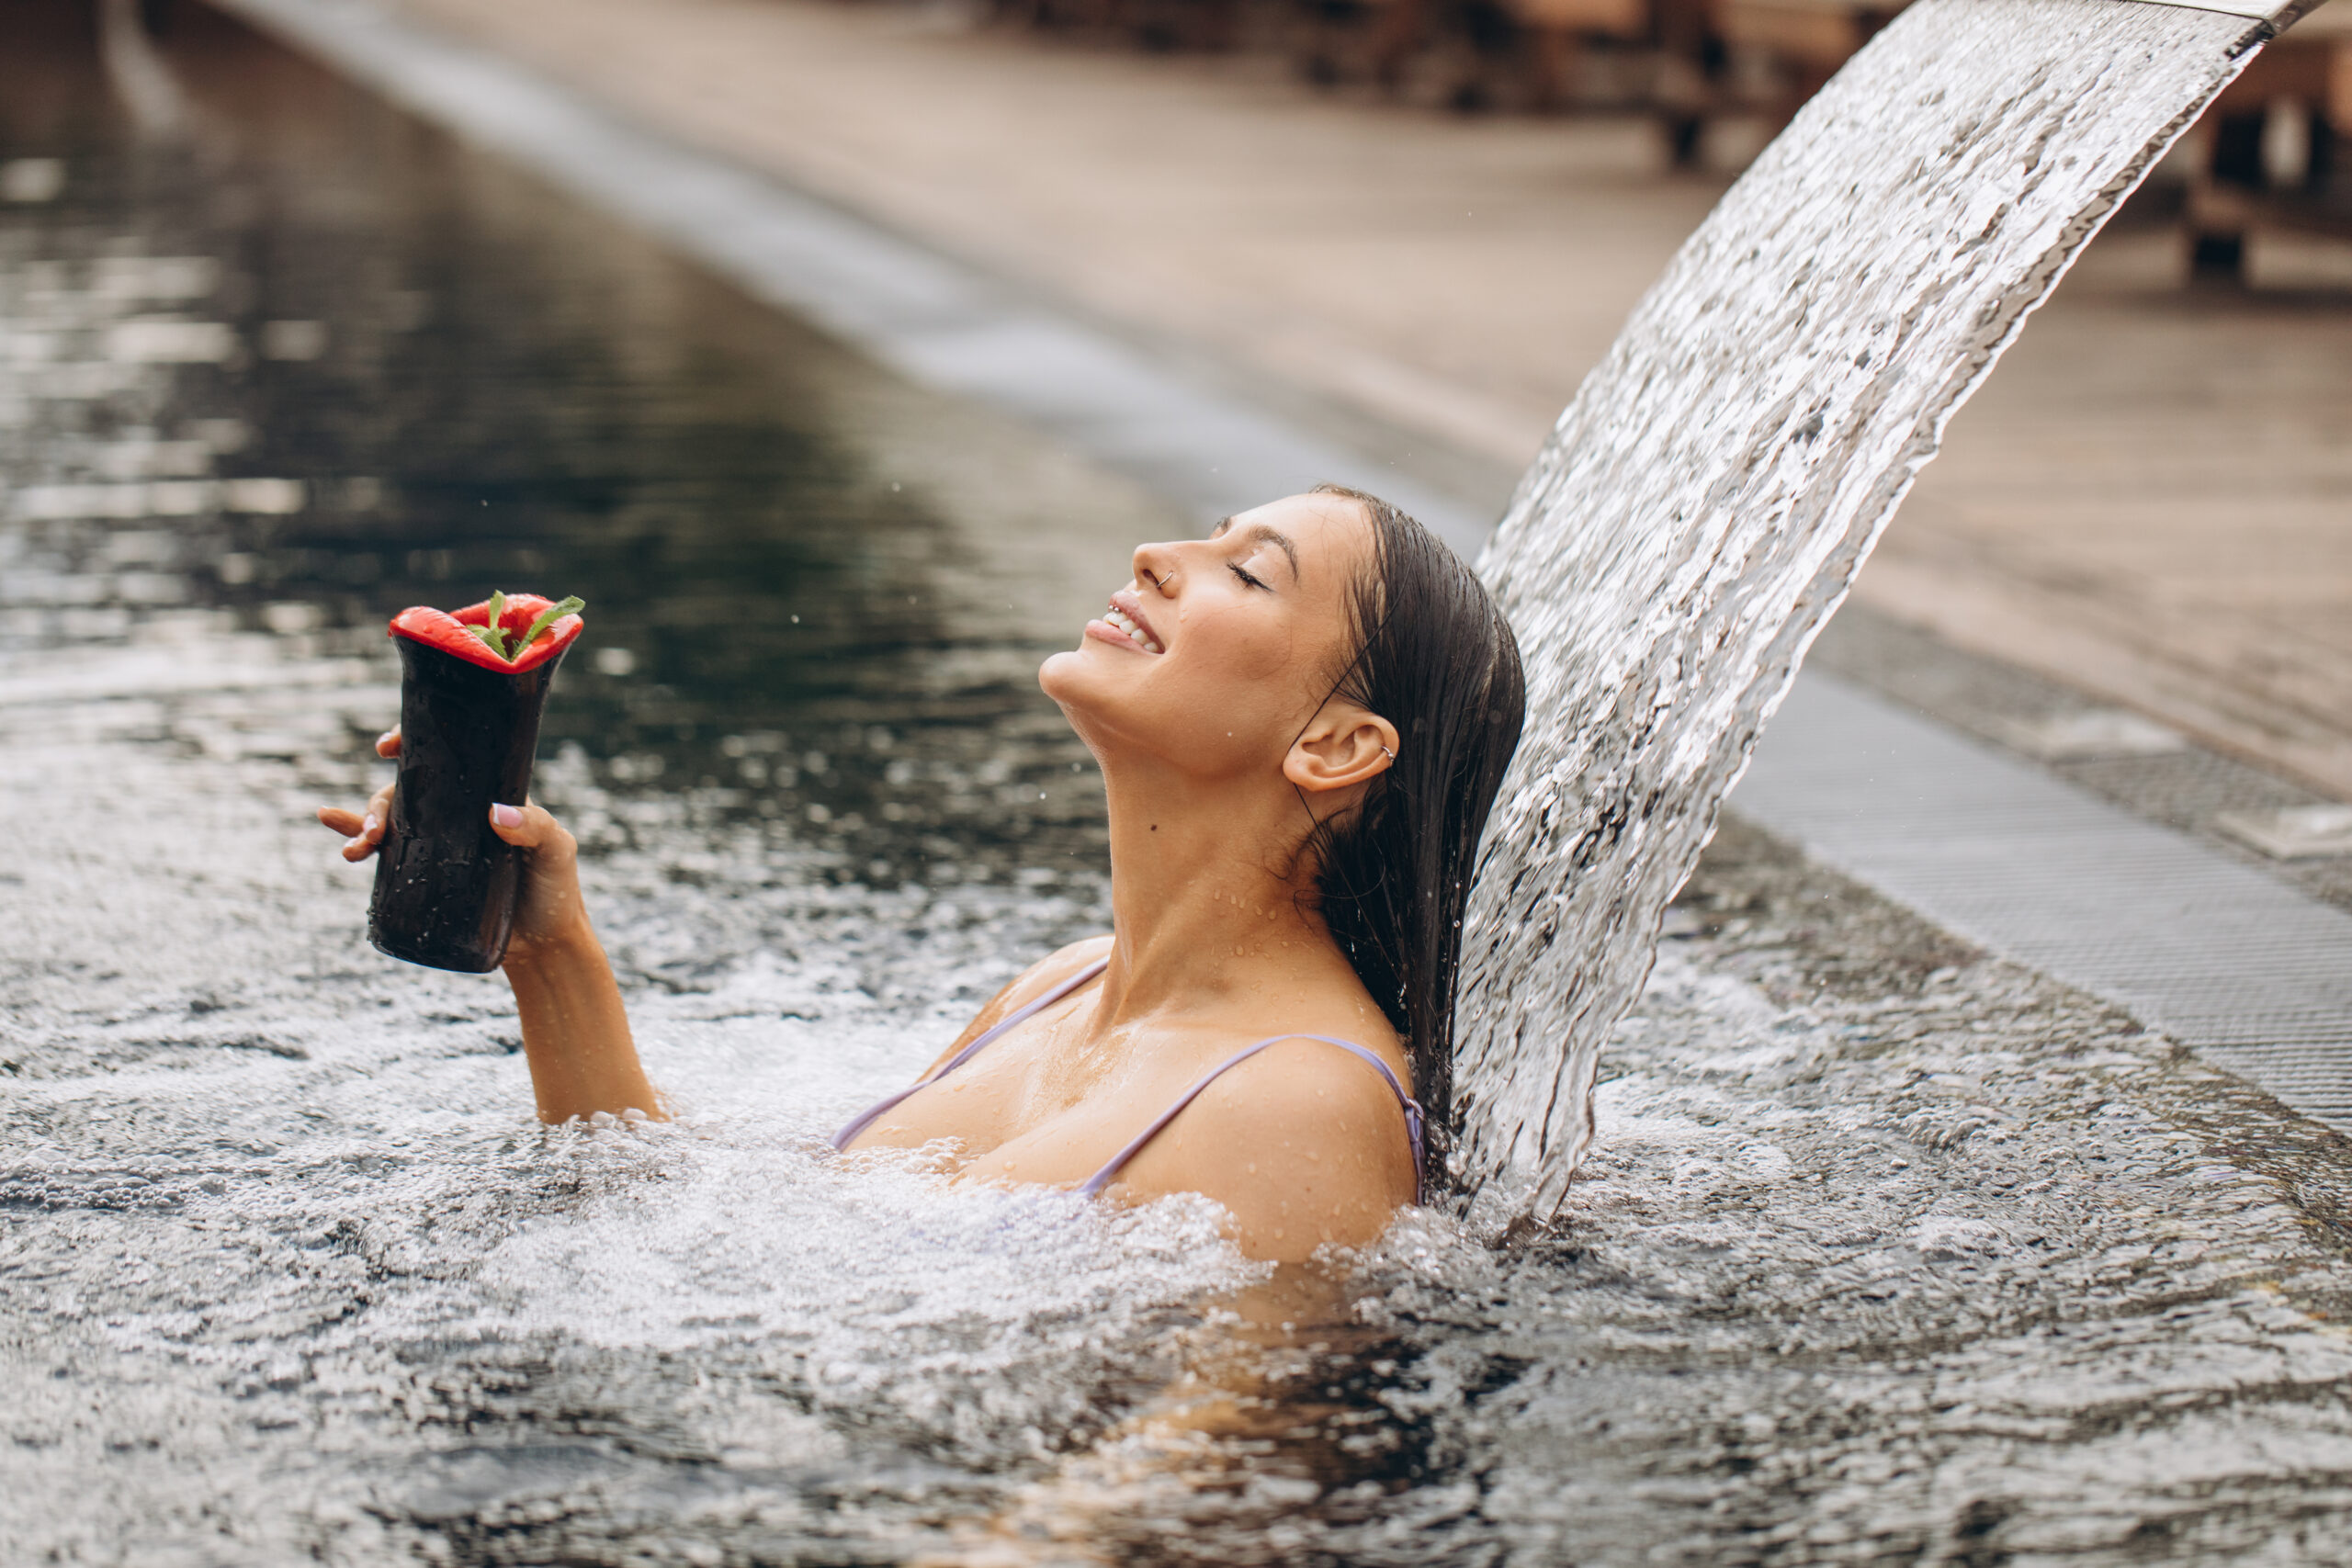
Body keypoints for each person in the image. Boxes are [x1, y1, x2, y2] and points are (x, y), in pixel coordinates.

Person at [320, 486, 1524, 1261]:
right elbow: (675, 1211)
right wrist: (550, 952)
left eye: (1245, 573)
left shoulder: (1302, 1105)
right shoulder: (1058, 990)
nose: (1159, 555)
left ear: (1337, 747)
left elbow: (1189, 1491)